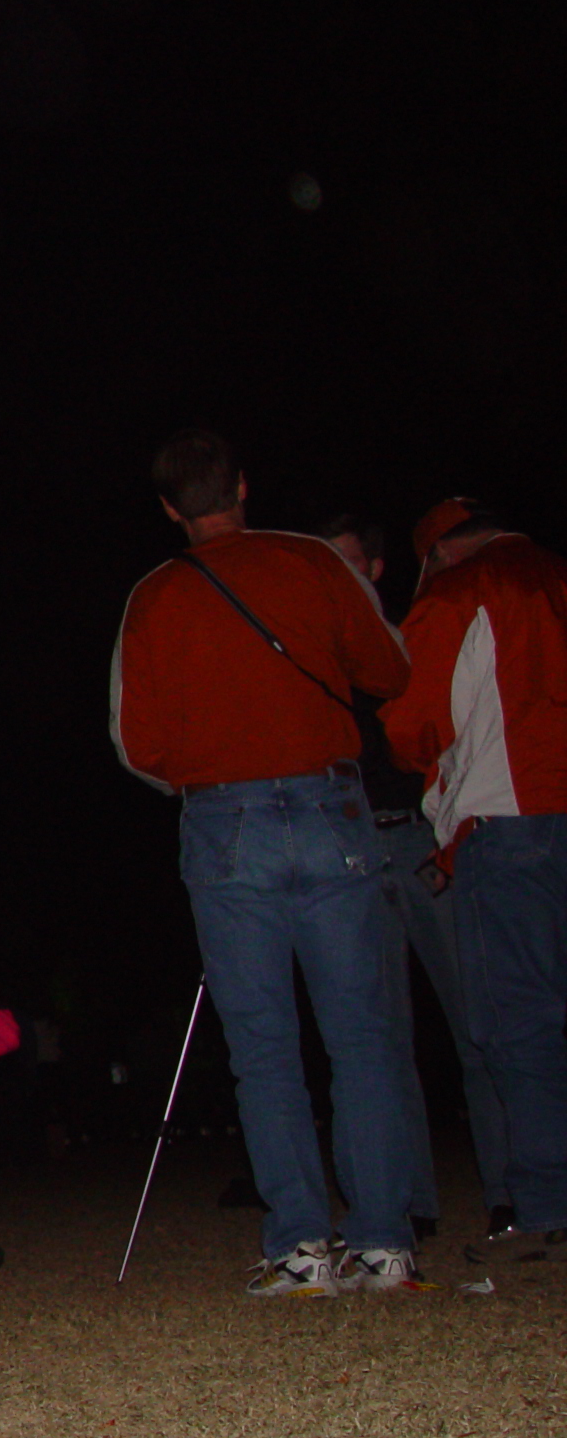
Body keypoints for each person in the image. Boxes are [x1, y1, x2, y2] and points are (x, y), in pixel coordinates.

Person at [111, 431, 415, 1296]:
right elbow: (388, 670)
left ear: (171, 510)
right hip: (332, 809)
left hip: (227, 821)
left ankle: (301, 1248)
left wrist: (215, 765)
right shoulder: (314, 562)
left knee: (264, 1048)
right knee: (362, 1037)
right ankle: (385, 1242)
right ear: (244, 485)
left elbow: (142, 741)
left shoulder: (158, 594)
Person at [381, 500, 567, 1266]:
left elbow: (409, 725)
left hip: (509, 820)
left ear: (434, 555)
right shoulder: (554, 575)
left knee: (516, 1022)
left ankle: (547, 1204)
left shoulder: (460, 592)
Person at [320, 512, 497, 1240]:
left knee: (480, 1022)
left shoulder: (411, 635)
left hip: (425, 843)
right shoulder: (313, 655)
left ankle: (517, 1198)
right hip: (354, 855)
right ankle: (402, 1206)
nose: (339, 580)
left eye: (349, 563)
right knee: (375, 1038)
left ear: (377, 567)